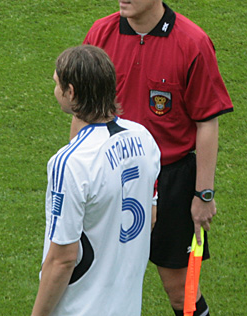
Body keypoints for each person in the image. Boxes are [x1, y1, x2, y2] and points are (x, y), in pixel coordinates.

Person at [84, 0, 234, 316]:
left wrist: (203, 193)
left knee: (182, 290)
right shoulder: (100, 35)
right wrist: (79, 168)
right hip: (112, 176)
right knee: (98, 280)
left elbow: (207, 121)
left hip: (172, 181)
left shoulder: (193, 43)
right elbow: (85, 110)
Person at [31, 45, 161, 316]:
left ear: (71, 92)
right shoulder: (144, 139)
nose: (54, 90)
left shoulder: (70, 162)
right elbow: (150, 216)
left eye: (57, 84)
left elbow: (62, 260)